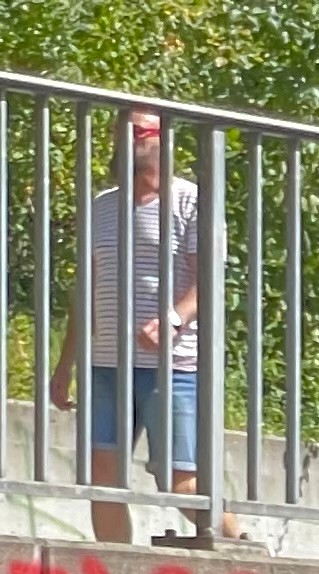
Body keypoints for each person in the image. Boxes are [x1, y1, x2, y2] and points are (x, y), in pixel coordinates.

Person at [48, 108, 203, 546]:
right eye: (127, 128)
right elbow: (89, 289)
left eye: (143, 128)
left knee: (179, 483)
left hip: (172, 365)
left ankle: (244, 547)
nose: (134, 137)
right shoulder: (102, 205)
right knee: (103, 481)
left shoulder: (190, 200)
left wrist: (172, 320)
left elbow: (208, 282)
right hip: (105, 365)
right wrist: (66, 364)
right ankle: (113, 568)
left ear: (164, 140)